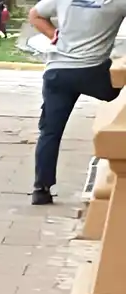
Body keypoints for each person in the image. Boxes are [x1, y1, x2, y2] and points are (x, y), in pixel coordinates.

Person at [29, 0, 126, 204]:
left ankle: (41, 189)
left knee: (49, 133)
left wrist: (54, 35)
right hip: (93, 74)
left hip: (57, 73)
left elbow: (35, 15)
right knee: (116, 92)